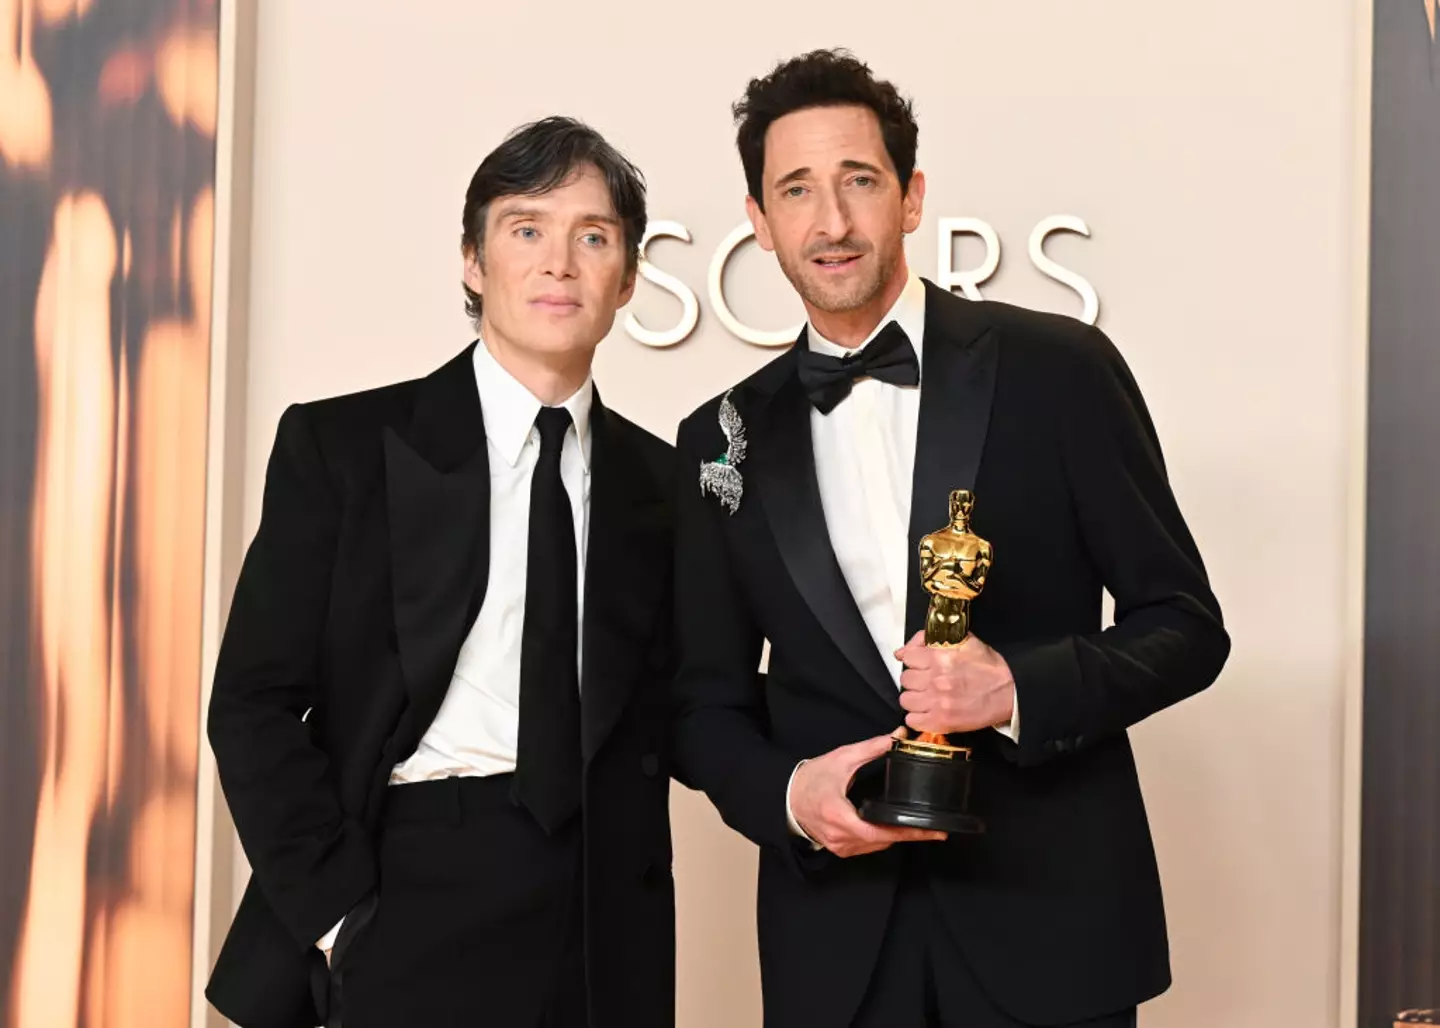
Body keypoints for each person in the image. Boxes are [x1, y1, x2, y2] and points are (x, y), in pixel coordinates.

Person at [672, 50, 1230, 1028]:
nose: (831, 221)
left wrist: (1016, 689)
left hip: (1050, 932)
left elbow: (1184, 625)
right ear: (758, 220)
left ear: (912, 196)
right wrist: (792, 796)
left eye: (859, 180)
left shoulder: (1060, 368)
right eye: (796, 189)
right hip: (836, 953)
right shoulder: (719, 437)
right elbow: (701, 703)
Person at [206, 116, 677, 1028]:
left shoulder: (663, 484)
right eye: (526, 229)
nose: (559, 263)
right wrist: (337, 913)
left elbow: (689, 706)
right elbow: (252, 703)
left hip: (603, 916)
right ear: (473, 261)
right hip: (406, 888)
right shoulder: (343, 448)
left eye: (593, 237)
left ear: (626, 277)